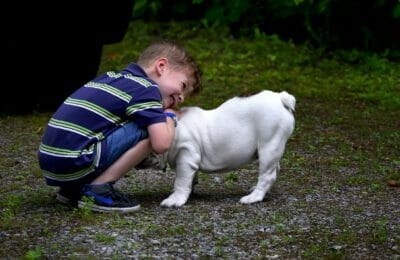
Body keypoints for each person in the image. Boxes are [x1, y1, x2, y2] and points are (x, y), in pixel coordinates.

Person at [38, 40, 202, 213]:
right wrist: (168, 116)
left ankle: (72, 190)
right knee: (150, 128)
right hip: (75, 160)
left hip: (52, 163)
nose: (181, 98)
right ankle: (98, 189)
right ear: (161, 66)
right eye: (183, 86)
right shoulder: (146, 90)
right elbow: (161, 144)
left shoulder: (109, 78)